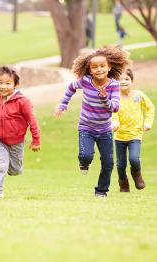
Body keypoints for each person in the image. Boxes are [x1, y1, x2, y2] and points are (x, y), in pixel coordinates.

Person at [55, 46, 131, 197]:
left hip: (105, 130)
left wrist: (104, 99)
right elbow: (71, 87)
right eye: (95, 67)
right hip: (86, 128)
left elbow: (114, 108)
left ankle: (101, 191)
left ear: (109, 67)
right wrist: (63, 104)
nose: (99, 70)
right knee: (86, 156)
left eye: (102, 66)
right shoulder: (85, 81)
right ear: (89, 70)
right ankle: (84, 163)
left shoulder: (114, 85)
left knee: (108, 163)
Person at [0, 66, 41, 198]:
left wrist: (36, 140)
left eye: (8, 83)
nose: (3, 86)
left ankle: (7, 168)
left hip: (17, 141)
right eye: (0, 83)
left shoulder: (22, 102)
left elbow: (32, 121)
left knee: (15, 170)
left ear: (15, 84)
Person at [111, 68, 154, 192]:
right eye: (120, 79)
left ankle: (137, 175)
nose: (123, 82)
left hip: (135, 134)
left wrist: (148, 123)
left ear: (132, 81)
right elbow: (113, 113)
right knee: (120, 164)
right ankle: (123, 184)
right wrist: (114, 122)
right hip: (119, 136)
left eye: (126, 79)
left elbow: (150, 108)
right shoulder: (115, 98)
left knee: (134, 159)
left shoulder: (138, 95)